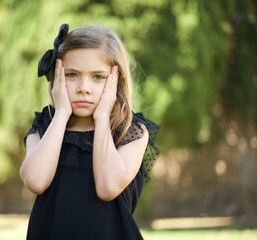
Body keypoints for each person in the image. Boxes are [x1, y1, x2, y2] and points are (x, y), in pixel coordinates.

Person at [20, 23, 159, 240]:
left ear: (117, 80)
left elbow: (107, 187)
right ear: (56, 77)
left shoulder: (132, 132)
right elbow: (35, 181)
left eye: (98, 77)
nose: (84, 87)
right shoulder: (45, 126)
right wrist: (62, 114)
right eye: (72, 74)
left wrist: (102, 117)